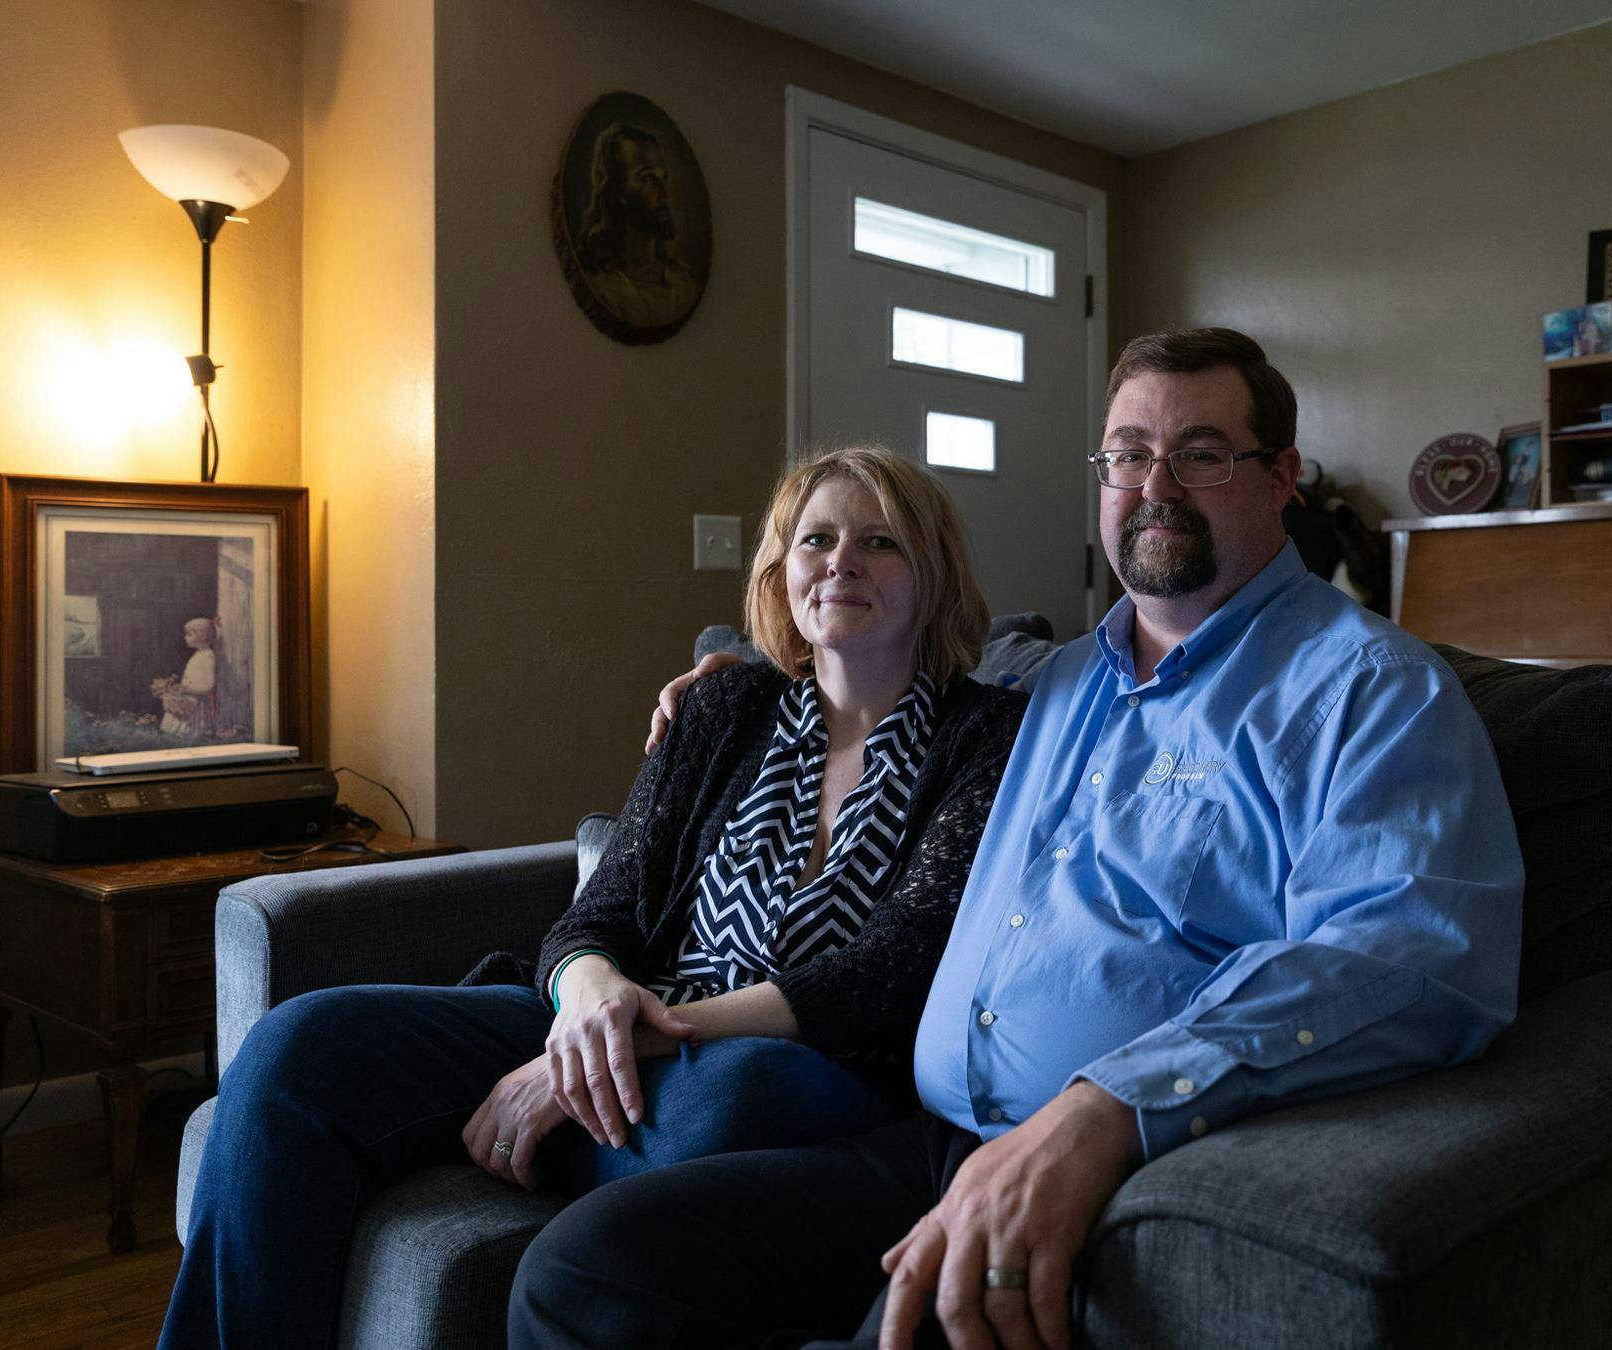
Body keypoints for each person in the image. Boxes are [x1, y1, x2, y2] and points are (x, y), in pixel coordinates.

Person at [520, 328, 1525, 1350]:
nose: (1155, 485)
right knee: (584, 1274)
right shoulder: (1041, 685)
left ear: (1281, 480)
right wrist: (726, 678)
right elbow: (865, 650)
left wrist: (1105, 1112)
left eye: (1202, 453)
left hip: (1110, 1161)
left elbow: (1411, 958)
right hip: (916, 1143)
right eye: (1127, 453)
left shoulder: (1367, 689)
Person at [160, 447, 1026, 1349]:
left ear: (934, 576)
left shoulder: (990, 740)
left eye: (878, 542)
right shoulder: (721, 711)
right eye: (817, 539)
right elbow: (596, 914)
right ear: (783, 575)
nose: (841, 560)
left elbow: (893, 970)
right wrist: (589, 995)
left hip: (777, 1065)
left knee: (740, 1102)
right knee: (297, 1046)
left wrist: (586, 1064)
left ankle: (551, 1122)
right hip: (614, 1031)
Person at [576, 122, 702, 330]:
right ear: (616, 191)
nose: (664, 194)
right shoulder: (603, 286)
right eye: (646, 178)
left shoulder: (685, 286)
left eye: (663, 178)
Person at [157, 616, 220, 739]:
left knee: (188, 735)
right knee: (174, 734)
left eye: (189, 634)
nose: (185, 637)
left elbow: (209, 687)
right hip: (187, 701)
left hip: (196, 704)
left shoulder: (208, 657)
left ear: (201, 636)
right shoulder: (198, 654)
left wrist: (186, 689)